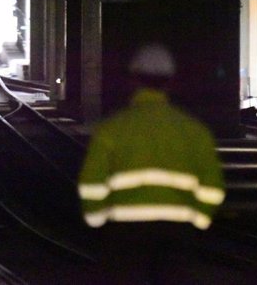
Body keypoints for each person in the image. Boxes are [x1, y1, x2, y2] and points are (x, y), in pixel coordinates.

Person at [77, 43, 225, 284]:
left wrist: (97, 220)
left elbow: (92, 183)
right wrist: (198, 220)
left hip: (125, 231)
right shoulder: (194, 131)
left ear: (133, 80)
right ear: (171, 81)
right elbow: (212, 187)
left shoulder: (112, 129)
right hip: (177, 231)